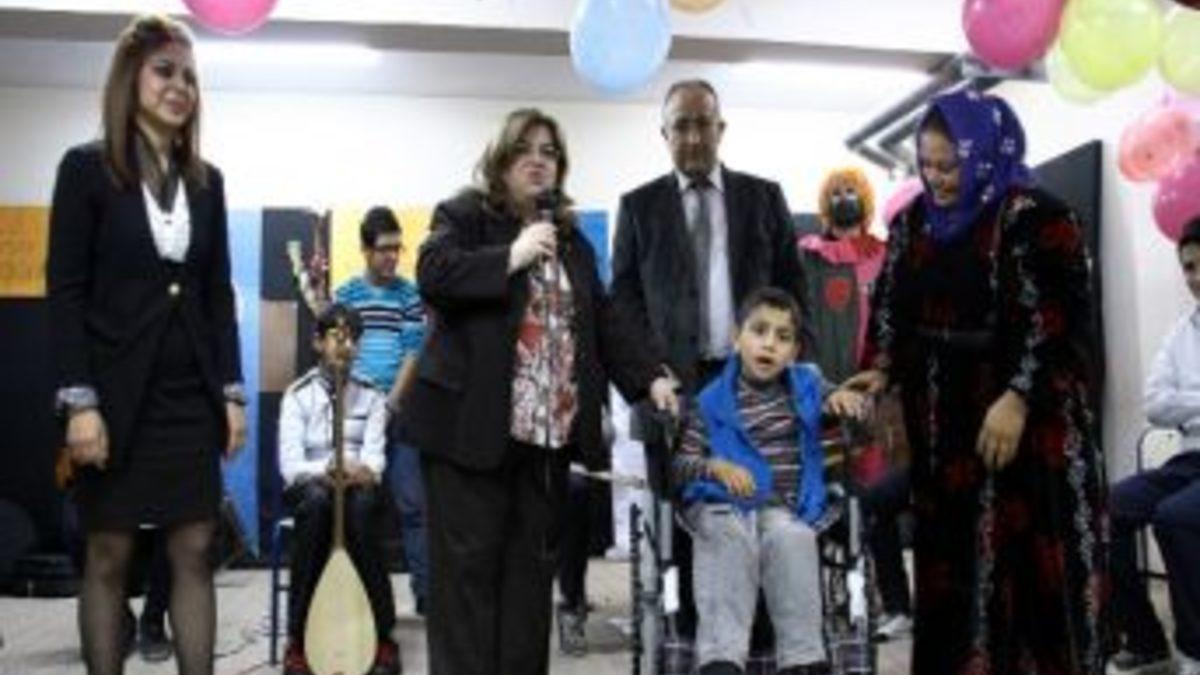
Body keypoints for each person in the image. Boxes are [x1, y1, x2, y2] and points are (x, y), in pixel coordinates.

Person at [401, 107, 679, 675]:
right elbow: (433, 273)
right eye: (524, 150)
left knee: (528, 590)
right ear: (501, 162)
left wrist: (649, 376)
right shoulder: (465, 215)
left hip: (545, 443)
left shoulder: (573, 243)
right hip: (467, 438)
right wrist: (513, 255)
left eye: (549, 152)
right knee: (467, 588)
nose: (537, 160)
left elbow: (604, 321)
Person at [846, 90, 1109, 674]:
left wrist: (1018, 396)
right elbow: (890, 304)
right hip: (944, 429)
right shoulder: (914, 221)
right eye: (927, 165)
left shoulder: (1039, 216)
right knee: (954, 570)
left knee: (1032, 576)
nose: (937, 179)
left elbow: (1060, 320)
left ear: (986, 153)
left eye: (950, 165)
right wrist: (882, 366)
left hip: (1030, 429)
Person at [47, 15, 245, 675]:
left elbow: (217, 295)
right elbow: (66, 293)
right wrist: (80, 402)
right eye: (165, 70)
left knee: (193, 548)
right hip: (112, 396)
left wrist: (232, 391)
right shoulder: (85, 169)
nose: (180, 85)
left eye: (190, 76)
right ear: (130, 78)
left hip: (189, 396)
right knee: (108, 554)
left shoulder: (208, 183)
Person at [612, 77, 811, 638]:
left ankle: (763, 639)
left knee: (761, 506)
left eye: (704, 124)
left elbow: (795, 293)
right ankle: (696, 642)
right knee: (686, 520)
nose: (694, 137)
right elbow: (623, 306)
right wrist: (649, 376)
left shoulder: (764, 198)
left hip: (753, 383)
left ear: (721, 129)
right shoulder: (638, 207)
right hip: (672, 390)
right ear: (664, 134)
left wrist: (799, 374)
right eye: (682, 126)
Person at [673, 287, 867, 675]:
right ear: (737, 337)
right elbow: (682, 463)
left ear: (794, 351)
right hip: (722, 505)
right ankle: (722, 658)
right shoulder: (710, 401)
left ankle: (802, 658)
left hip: (781, 507)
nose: (769, 344)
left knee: (794, 538)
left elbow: (835, 398)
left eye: (783, 337)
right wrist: (716, 467)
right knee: (727, 537)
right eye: (759, 331)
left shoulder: (807, 384)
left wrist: (843, 399)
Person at [277, 304, 399, 675]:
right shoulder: (297, 395)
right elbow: (291, 467)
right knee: (317, 506)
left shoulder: (372, 395)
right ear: (317, 342)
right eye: (336, 337)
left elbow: (376, 459)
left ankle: (381, 635)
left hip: (357, 487)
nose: (345, 347)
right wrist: (325, 469)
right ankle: (299, 639)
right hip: (311, 487)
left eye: (353, 340)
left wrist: (362, 471)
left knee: (360, 509)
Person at [1108, 217, 1200, 675]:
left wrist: (1186, 401)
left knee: (1174, 517)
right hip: (1189, 458)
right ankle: (1145, 639)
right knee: (1105, 509)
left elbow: (1171, 403)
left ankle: (1195, 649)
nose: (1195, 276)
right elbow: (1155, 404)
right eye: (1189, 267)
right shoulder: (1181, 332)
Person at [333, 206, 428, 615]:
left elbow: (412, 353)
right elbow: (339, 353)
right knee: (358, 506)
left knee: (413, 504)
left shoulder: (409, 294)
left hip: (400, 412)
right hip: (356, 412)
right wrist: (364, 405)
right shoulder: (346, 296)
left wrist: (389, 404)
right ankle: (361, 596)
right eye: (384, 249)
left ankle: (425, 594)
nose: (392, 257)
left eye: (397, 249)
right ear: (366, 250)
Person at [799, 167, 885, 384]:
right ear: (826, 204)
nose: (844, 198)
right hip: (820, 367)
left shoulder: (883, 255)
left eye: (851, 191)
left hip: (869, 368)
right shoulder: (808, 255)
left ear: (864, 199)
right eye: (836, 194)